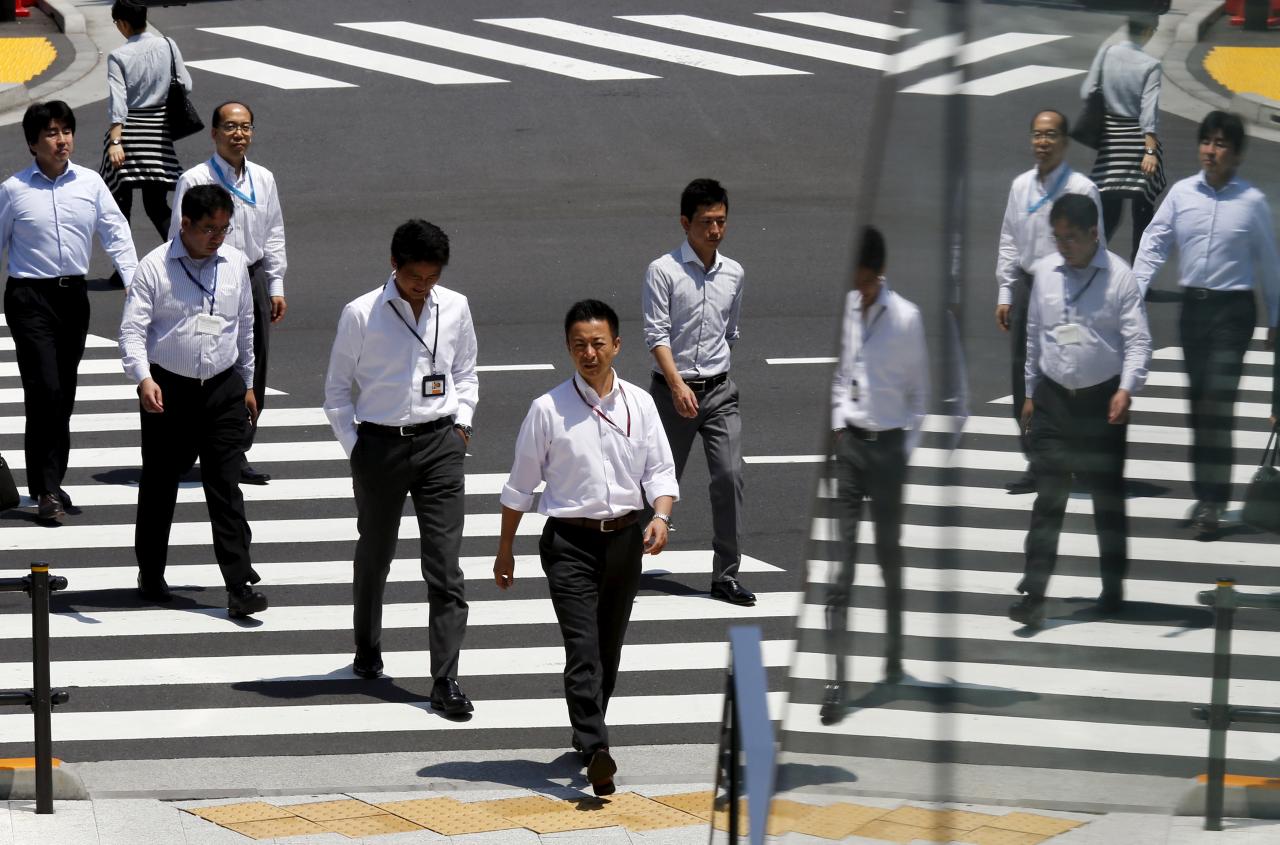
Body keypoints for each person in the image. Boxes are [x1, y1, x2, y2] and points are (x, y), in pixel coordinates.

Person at [494, 299, 677, 796]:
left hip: (624, 540)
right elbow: (520, 486)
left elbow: (660, 472)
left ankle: (585, 729)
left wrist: (660, 517)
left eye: (599, 344)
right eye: (580, 345)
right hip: (568, 543)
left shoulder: (640, 404)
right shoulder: (547, 409)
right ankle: (598, 748)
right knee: (583, 649)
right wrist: (505, 548)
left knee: (609, 650)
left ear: (616, 345)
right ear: (568, 349)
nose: (589, 353)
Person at [323, 220, 478, 716]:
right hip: (380, 447)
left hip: (439, 446)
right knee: (375, 555)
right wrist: (356, 449)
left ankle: (445, 679)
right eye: (415, 276)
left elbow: (466, 372)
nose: (423, 286)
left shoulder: (454, 306)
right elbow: (335, 393)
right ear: (394, 265)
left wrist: (463, 426)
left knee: (445, 565)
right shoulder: (360, 314)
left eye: (431, 277)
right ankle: (367, 646)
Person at [119, 184, 268, 618]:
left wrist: (248, 382)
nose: (217, 237)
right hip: (169, 388)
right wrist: (143, 378)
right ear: (185, 224)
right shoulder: (154, 268)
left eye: (223, 228)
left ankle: (240, 584)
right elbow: (132, 331)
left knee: (224, 485)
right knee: (161, 482)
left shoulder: (236, 263)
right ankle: (151, 570)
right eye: (208, 229)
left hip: (222, 388)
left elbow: (245, 326)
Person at [1133, 111, 1280, 536]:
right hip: (1193, 310)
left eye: (1220, 144)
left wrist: (1276, 318)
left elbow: (1269, 264)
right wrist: (1136, 286)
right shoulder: (1181, 194)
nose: (1211, 151)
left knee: (1217, 405)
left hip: (1233, 314)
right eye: (1207, 142)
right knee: (1198, 408)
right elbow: (1156, 239)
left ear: (1236, 155)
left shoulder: (1250, 202)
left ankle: (1215, 501)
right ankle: (1204, 494)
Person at [1009, 194, 1151, 630]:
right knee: (1049, 498)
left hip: (1101, 404)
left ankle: (1113, 585)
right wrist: (1031, 391)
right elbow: (1034, 334)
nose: (1063, 246)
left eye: (1070, 238)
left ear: (1094, 234)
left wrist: (1127, 389)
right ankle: (1034, 594)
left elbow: (1139, 342)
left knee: (1107, 501)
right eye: (1057, 237)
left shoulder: (1120, 279)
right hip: (1053, 402)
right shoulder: (1046, 275)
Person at [0, 100, 138, 525]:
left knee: (64, 396)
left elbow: (115, 232)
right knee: (45, 392)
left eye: (66, 131)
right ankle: (44, 490)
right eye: (51, 133)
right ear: (32, 143)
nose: (61, 140)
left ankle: (51, 482)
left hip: (72, 298)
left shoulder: (91, 184)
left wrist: (136, 283)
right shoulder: (14, 190)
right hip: (29, 299)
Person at [819, 227, 929, 725]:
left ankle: (894, 654)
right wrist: (841, 425)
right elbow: (842, 372)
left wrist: (902, 452)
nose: (859, 290)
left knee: (889, 557)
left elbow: (919, 396)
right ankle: (837, 680)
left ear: (878, 274)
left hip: (888, 451)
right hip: (852, 450)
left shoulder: (906, 318)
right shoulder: (845, 309)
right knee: (840, 569)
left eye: (865, 281)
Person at [641, 178, 752, 606]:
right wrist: (677, 384)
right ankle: (619, 565)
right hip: (671, 395)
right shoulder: (663, 271)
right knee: (648, 483)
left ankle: (725, 576)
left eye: (721, 221)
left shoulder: (735, 273)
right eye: (707, 222)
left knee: (729, 477)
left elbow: (731, 332)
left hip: (720, 393)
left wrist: (711, 377)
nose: (716, 231)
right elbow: (657, 335)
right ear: (686, 222)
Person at [170, 101, 287, 485]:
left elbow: (273, 234)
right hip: (206, 275)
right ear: (215, 133)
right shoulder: (196, 179)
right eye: (232, 127)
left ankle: (235, 451)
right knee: (200, 361)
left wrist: (275, 284)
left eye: (246, 127)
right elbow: (177, 236)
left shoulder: (263, 179)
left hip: (250, 276)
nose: (240, 134)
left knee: (253, 364)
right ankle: (188, 446)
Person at [996, 109, 1105, 495]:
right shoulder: (1020, 187)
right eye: (1037, 135)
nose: (1043, 142)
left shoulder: (1082, 189)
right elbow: (1010, 239)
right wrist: (1006, 292)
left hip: (1069, 289)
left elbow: (1098, 248)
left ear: (1065, 141)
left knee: (1070, 373)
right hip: (1029, 288)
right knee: (1022, 376)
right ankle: (1037, 461)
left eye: (1051, 135)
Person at [100, 0, 192, 271]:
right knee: (156, 205)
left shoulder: (119, 56)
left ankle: (124, 270)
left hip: (129, 134)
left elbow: (118, 103)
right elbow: (186, 84)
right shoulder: (168, 44)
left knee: (120, 207)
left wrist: (116, 141)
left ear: (123, 23)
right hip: (158, 135)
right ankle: (181, 257)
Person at [1081, 15, 1166, 263]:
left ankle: (1095, 261)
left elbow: (1087, 90)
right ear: (1149, 31)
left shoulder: (1107, 53)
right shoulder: (1151, 64)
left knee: (1108, 211)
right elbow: (1148, 111)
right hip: (1139, 144)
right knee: (1143, 212)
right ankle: (1139, 271)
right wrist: (1150, 152)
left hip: (1112, 144)